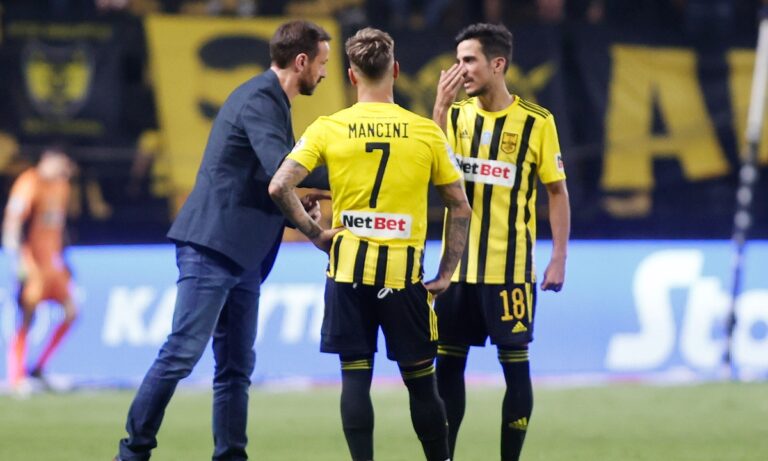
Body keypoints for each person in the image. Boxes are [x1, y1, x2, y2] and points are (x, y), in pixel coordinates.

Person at [115, 20, 331, 461]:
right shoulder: (260, 99)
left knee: (235, 367)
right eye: (322, 63)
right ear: (301, 61)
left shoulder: (271, 102)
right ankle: (131, 454)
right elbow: (279, 170)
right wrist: (349, 176)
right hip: (213, 248)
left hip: (242, 254)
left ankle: (231, 455)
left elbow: (262, 182)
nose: (325, 73)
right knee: (181, 353)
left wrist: (298, 203)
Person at [269, 27, 471, 461]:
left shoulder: (328, 128)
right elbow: (460, 206)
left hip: (347, 275)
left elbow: (279, 185)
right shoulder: (425, 132)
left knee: (355, 380)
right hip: (403, 278)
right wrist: (446, 272)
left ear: (351, 75)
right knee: (422, 385)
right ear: (395, 71)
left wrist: (314, 234)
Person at [431, 23, 570, 461]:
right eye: (457, 61)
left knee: (516, 370)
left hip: (510, 273)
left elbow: (556, 191)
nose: (460, 70)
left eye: (469, 60)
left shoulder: (536, 122)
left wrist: (559, 258)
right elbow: (429, 169)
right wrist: (439, 108)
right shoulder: (454, 117)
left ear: (498, 64)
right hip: (456, 272)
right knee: (447, 369)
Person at [3, 147, 76, 394]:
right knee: (27, 315)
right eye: (61, 164)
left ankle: (39, 368)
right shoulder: (28, 182)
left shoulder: (62, 186)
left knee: (71, 312)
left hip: (53, 262)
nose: (64, 170)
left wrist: (64, 259)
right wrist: (17, 258)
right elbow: (13, 220)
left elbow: (59, 226)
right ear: (47, 160)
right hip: (32, 260)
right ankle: (16, 377)